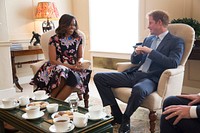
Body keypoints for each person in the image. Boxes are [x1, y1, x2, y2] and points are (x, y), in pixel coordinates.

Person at [93, 10, 184, 133]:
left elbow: (173, 63)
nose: (148, 26)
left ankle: (125, 118)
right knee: (99, 77)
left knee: (139, 90)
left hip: (151, 78)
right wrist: (136, 53)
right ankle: (116, 112)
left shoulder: (176, 41)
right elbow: (135, 60)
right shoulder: (148, 39)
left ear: (159, 22)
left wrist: (150, 52)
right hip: (134, 74)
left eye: (150, 23)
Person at [30, 14, 91, 100]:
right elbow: (53, 61)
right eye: (69, 25)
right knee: (63, 71)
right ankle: (52, 100)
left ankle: (53, 103)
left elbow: (80, 56)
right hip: (56, 67)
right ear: (63, 25)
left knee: (73, 78)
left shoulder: (78, 38)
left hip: (73, 68)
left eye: (74, 25)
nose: (72, 27)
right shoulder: (54, 39)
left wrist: (79, 61)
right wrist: (70, 66)